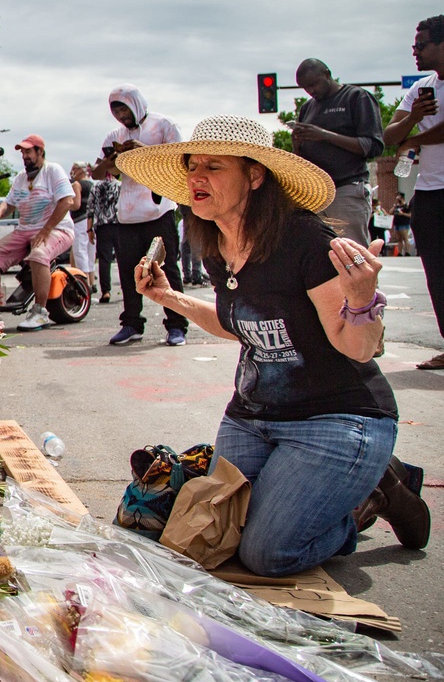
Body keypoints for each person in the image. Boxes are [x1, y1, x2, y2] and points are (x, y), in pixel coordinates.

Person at [120, 115, 428, 576]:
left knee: (267, 553)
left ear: (255, 175)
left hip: (338, 417)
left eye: (214, 166)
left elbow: (357, 348)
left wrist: (362, 300)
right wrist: (165, 296)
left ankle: (369, 498)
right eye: (191, 165)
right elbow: (236, 326)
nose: (196, 176)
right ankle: (339, 492)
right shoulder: (216, 243)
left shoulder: (304, 239)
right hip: (251, 419)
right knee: (218, 534)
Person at [91, 85, 188, 346]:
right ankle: (132, 324)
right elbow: (98, 176)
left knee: (167, 270)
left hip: (159, 211)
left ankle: (177, 325)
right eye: (116, 111)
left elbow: (181, 163)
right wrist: (109, 160)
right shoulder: (115, 134)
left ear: (137, 104)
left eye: (124, 109)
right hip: (128, 215)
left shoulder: (164, 125)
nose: (122, 116)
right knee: (128, 273)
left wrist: (143, 150)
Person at [384, 16, 444, 369]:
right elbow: (390, 136)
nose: (415, 52)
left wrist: (414, 138)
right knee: (437, 273)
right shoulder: (420, 88)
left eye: (421, 45)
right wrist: (413, 118)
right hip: (430, 192)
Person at [0, 134, 76, 331]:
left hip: (56, 228)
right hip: (25, 230)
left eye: (28, 151)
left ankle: (40, 312)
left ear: (40, 152)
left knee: (39, 254)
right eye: (22, 152)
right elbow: (9, 203)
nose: (24, 156)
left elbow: (67, 201)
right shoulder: (20, 178)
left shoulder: (52, 171)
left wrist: (46, 230)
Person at [290, 58, 384, 243]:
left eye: (313, 84)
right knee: (322, 258)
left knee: (353, 256)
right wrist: (297, 143)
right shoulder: (308, 108)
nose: (311, 91)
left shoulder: (356, 97)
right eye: (305, 88)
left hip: (346, 189)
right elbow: (301, 157)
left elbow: (372, 146)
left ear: (327, 74)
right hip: (316, 193)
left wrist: (325, 135)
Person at [89, 168, 121, 304]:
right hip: (120, 224)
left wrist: (89, 229)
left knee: (104, 260)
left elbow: (90, 209)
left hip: (102, 227)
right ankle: (127, 288)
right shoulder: (119, 186)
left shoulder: (95, 186)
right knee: (123, 258)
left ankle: (106, 291)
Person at [68, 162, 94, 278]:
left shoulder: (77, 185)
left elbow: (76, 205)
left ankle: (83, 282)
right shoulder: (92, 184)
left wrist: (66, 204)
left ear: (79, 170)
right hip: (91, 221)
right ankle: (91, 282)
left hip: (79, 221)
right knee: (90, 253)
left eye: (74, 169)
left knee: (80, 253)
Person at [180, 207, 207, 287]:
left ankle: (187, 275)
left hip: (184, 206)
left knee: (186, 239)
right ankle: (196, 276)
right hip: (192, 206)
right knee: (195, 239)